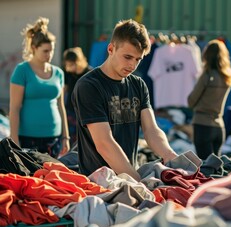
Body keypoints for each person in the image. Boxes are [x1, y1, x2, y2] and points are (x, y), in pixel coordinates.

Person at [72, 19, 178, 180]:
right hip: (98, 183)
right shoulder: (88, 86)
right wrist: (137, 182)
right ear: (111, 49)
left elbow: (151, 130)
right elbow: (104, 143)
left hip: (128, 176)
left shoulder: (138, 85)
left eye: (138, 59)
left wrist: (171, 157)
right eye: (128, 57)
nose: (132, 65)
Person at [9, 17, 70, 158]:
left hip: (54, 138)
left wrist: (66, 137)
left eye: (52, 50)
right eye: (45, 51)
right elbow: (14, 108)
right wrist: (14, 140)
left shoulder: (59, 73)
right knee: (30, 178)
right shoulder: (22, 70)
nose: (49, 55)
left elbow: (61, 106)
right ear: (34, 48)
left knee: (50, 178)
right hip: (27, 138)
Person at [188, 39, 231, 160]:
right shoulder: (226, 77)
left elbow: (191, 101)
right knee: (216, 168)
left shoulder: (207, 75)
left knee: (206, 168)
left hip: (203, 124)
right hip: (219, 127)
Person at [63, 47, 92, 146]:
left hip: (85, 112)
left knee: (84, 141)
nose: (68, 68)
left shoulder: (89, 72)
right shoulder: (69, 73)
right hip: (71, 110)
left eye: (71, 64)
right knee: (71, 140)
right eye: (67, 64)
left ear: (78, 62)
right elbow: (64, 90)